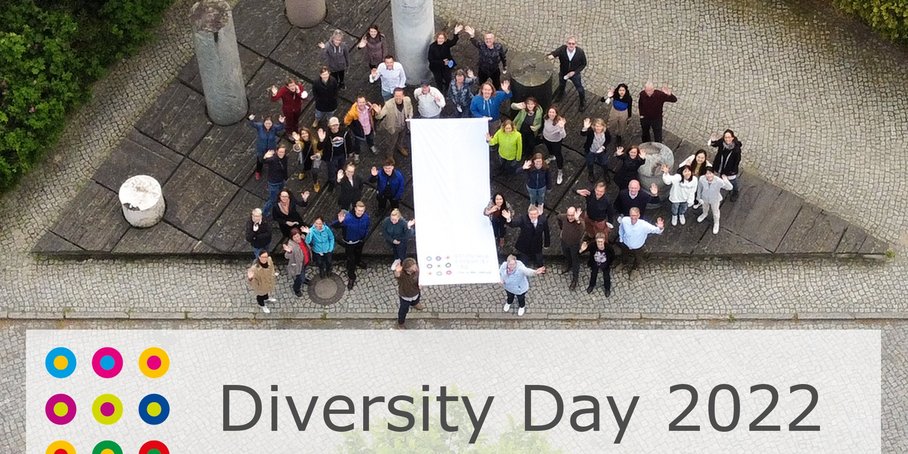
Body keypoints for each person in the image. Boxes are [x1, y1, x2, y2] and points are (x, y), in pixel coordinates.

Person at [617, 207, 664, 280]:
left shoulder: (644, 225)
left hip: (638, 246)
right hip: (626, 243)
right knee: (624, 254)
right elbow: (621, 229)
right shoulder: (625, 220)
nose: (633, 217)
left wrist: (660, 228)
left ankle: (635, 269)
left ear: (638, 215)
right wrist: (621, 239)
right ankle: (623, 262)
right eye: (632, 215)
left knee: (638, 258)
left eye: (635, 215)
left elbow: (656, 230)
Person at [332, 201, 370, 290]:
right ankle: (351, 276)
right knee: (351, 260)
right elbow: (334, 225)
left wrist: (364, 235)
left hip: (360, 240)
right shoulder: (348, 218)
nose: (360, 212)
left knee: (358, 253)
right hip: (350, 242)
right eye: (359, 210)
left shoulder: (366, 217)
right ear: (355, 209)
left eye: (362, 211)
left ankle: (358, 261)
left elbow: (367, 226)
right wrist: (340, 222)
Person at [546, 37, 587, 110]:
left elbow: (583, 64)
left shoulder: (580, 52)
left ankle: (582, 101)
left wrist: (574, 72)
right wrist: (551, 56)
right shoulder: (562, 49)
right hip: (563, 72)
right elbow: (555, 53)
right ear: (566, 44)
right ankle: (560, 95)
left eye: (573, 44)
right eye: (569, 43)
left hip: (574, 74)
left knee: (580, 89)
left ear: (576, 45)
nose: (571, 45)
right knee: (561, 85)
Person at [373, 88, 414, 156]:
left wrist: (410, 116)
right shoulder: (388, 104)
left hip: (404, 125)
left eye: (400, 96)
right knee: (391, 143)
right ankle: (389, 155)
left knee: (401, 138)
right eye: (396, 96)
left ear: (403, 96)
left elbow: (410, 108)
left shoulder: (407, 100)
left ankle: (400, 147)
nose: (398, 98)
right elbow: (379, 116)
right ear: (394, 96)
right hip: (393, 127)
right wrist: (378, 112)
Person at [317, 117, 353, 192]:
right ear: (329, 126)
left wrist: (349, 152)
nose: (335, 127)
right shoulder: (326, 134)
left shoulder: (344, 132)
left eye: (336, 125)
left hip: (342, 155)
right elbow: (319, 147)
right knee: (331, 170)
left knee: (341, 168)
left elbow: (349, 142)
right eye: (333, 125)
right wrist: (321, 140)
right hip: (331, 157)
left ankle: (339, 179)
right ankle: (332, 182)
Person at [696, 167, 733, 234]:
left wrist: (725, 180)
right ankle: (704, 214)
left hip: (715, 199)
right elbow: (699, 188)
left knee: (715, 212)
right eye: (706, 173)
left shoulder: (719, 181)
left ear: (713, 173)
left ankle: (716, 223)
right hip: (704, 198)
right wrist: (698, 198)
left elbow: (730, 187)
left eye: (710, 173)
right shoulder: (702, 179)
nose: (708, 175)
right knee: (704, 208)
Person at [247, 114, 285, 180]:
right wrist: (251, 120)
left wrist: (281, 122)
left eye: (269, 123)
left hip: (271, 148)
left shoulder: (274, 128)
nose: (268, 125)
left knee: (271, 160)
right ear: (263, 123)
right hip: (261, 148)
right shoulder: (259, 126)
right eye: (266, 123)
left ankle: (271, 171)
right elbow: (253, 124)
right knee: (260, 160)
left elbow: (281, 127)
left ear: (272, 123)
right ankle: (258, 171)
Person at [427, 25, 463, 92]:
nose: (441, 40)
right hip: (436, 67)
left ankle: (447, 89)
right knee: (438, 80)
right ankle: (440, 90)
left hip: (446, 66)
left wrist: (456, 33)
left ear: (445, 39)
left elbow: (453, 42)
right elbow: (430, 59)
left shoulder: (446, 43)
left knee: (448, 78)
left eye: (442, 38)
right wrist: (442, 62)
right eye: (439, 38)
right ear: (436, 38)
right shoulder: (432, 46)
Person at [557, 206, 585, 290]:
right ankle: (568, 265)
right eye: (568, 215)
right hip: (564, 242)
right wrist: (561, 228)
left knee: (575, 261)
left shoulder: (579, 221)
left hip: (574, 245)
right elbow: (558, 217)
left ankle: (575, 279)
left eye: (572, 215)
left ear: (575, 214)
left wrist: (577, 220)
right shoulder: (564, 217)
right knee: (566, 255)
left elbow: (582, 228)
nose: (570, 217)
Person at [709, 129, 742, 202]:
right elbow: (715, 144)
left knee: (732, 181)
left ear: (732, 138)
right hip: (720, 165)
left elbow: (737, 161)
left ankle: (735, 192)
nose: (727, 139)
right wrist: (712, 140)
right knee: (719, 177)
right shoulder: (722, 142)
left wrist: (730, 172)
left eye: (729, 137)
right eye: (725, 137)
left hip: (730, 169)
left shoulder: (736, 149)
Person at [579, 233, 615, 297]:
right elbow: (581, 252)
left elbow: (612, 256)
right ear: (596, 241)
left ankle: (607, 289)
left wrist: (610, 263)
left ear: (604, 240)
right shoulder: (592, 245)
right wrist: (581, 250)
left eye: (601, 241)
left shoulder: (609, 247)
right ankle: (591, 285)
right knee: (593, 274)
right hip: (595, 264)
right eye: (598, 241)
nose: (600, 243)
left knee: (606, 277)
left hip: (605, 264)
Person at [394, 258, 424, 329]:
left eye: (415, 265)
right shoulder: (402, 275)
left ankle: (415, 304)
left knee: (416, 299)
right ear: (407, 269)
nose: (415, 268)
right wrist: (396, 270)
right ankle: (400, 323)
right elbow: (397, 275)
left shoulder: (417, 271)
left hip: (415, 292)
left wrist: (420, 284)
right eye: (413, 267)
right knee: (403, 310)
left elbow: (421, 278)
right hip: (405, 296)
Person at [541, 106, 567, 185]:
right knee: (549, 150)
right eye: (550, 112)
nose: (551, 114)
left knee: (558, 155)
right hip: (546, 138)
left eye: (553, 112)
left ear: (556, 113)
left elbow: (563, 136)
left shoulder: (559, 123)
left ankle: (560, 171)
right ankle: (551, 157)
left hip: (556, 141)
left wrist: (561, 128)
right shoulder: (545, 118)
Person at [282, 227, 312, 297]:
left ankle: (303, 279)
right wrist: (289, 252)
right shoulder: (291, 245)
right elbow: (286, 256)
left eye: (298, 236)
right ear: (292, 238)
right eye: (294, 237)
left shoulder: (303, 238)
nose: (297, 238)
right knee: (299, 278)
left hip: (305, 261)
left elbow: (310, 241)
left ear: (300, 235)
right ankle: (296, 289)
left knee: (303, 272)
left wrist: (309, 233)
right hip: (298, 265)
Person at [262, 146, 289, 217]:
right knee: (272, 199)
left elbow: (285, 168)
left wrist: (285, 177)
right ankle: (264, 213)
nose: (281, 153)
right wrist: (265, 156)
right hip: (273, 183)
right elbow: (264, 161)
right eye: (280, 152)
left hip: (281, 180)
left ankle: (277, 208)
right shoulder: (273, 159)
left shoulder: (285, 158)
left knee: (278, 196)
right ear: (277, 151)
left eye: (283, 152)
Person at [580, 117, 611, 182]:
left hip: (601, 151)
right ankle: (591, 174)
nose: (598, 128)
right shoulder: (591, 131)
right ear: (593, 126)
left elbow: (608, 139)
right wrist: (585, 127)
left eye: (600, 126)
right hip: (590, 151)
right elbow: (583, 134)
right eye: (596, 126)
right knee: (590, 163)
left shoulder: (606, 132)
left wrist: (603, 147)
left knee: (604, 163)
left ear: (603, 126)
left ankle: (606, 173)